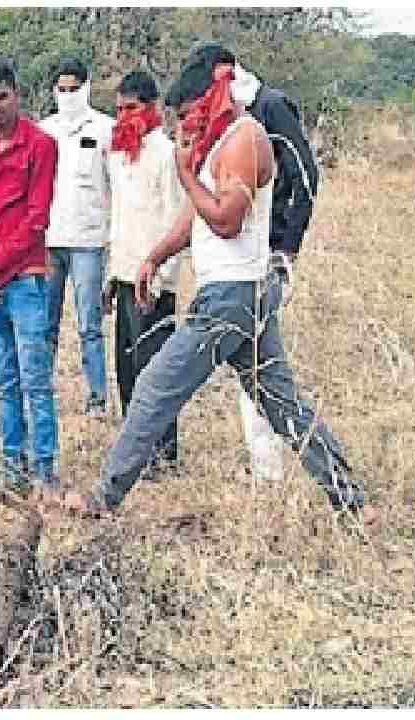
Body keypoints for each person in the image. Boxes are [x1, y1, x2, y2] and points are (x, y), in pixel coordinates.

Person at [62, 53, 375, 525]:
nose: (184, 124)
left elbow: (226, 220)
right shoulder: (219, 141)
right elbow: (195, 215)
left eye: (187, 113)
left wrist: (186, 173)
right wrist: (154, 256)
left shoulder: (244, 138)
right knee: (280, 402)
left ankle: (103, 499)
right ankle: (354, 503)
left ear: (209, 98)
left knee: (152, 386)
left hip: (232, 294)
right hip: (239, 293)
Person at [187, 42, 322, 484]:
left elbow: (304, 175)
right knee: (260, 373)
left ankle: (271, 474)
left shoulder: (269, 106)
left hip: (263, 259)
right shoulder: (226, 119)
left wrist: (286, 245)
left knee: (262, 376)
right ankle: (273, 472)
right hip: (236, 261)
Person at [0, 58, 61, 492]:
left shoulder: (41, 144)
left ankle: (44, 467)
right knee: (4, 378)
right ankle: (12, 464)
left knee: (35, 378)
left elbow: (36, 219)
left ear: (16, 94)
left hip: (24, 277)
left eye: (2, 98)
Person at [102, 70, 184, 473]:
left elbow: (175, 221)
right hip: (122, 274)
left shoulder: (167, 154)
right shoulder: (117, 154)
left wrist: (161, 277)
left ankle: (164, 454)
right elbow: (116, 219)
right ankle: (135, 449)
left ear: (151, 109)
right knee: (127, 368)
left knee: (157, 371)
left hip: (153, 280)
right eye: (117, 109)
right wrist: (109, 275)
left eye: (130, 108)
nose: (122, 117)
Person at [38, 56, 114, 417]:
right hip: (49, 240)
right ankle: (41, 387)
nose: (68, 95)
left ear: (87, 87)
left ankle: (98, 395)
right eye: (62, 89)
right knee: (45, 322)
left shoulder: (104, 129)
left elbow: (117, 186)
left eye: (74, 88)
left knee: (89, 324)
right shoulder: (44, 131)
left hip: (89, 240)